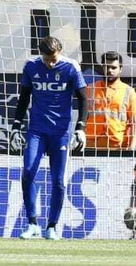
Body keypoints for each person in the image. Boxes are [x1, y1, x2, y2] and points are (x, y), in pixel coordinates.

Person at [10, 35, 88, 240]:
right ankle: (32, 224)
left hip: (61, 132)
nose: (50, 63)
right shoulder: (31, 66)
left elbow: (83, 100)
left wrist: (80, 128)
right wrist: (16, 126)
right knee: (27, 172)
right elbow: (24, 98)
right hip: (37, 130)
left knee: (58, 181)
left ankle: (52, 226)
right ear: (41, 54)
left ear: (60, 52)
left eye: (53, 59)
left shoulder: (71, 67)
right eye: (47, 59)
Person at [84, 50, 136, 151]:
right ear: (102, 67)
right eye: (107, 67)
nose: (110, 70)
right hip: (91, 145)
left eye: (114, 67)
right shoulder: (90, 89)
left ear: (120, 69)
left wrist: (131, 148)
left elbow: (135, 123)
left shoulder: (129, 92)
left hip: (117, 147)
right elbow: (82, 117)